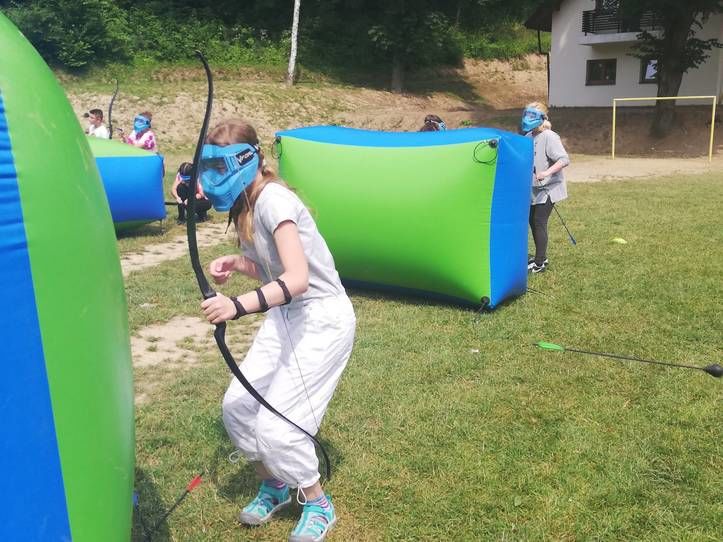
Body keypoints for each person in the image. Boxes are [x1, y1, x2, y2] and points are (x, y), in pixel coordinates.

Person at [198, 119, 355, 541]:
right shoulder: (246, 204)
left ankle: (318, 503)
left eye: (220, 166)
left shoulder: (274, 202)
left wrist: (235, 306)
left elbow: (298, 279)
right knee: (237, 408)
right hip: (286, 318)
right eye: (208, 167)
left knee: (277, 428)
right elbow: (274, 269)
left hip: (322, 320)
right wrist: (237, 262)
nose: (212, 177)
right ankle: (275, 485)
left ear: (247, 160)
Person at [520, 102, 570, 273]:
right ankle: (541, 256)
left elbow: (564, 159)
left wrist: (546, 172)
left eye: (532, 116)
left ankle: (539, 263)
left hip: (550, 188)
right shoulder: (527, 136)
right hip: (533, 189)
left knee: (539, 221)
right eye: (526, 114)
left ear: (541, 118)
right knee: (531, 220)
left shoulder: (549, 136)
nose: (527, 118)